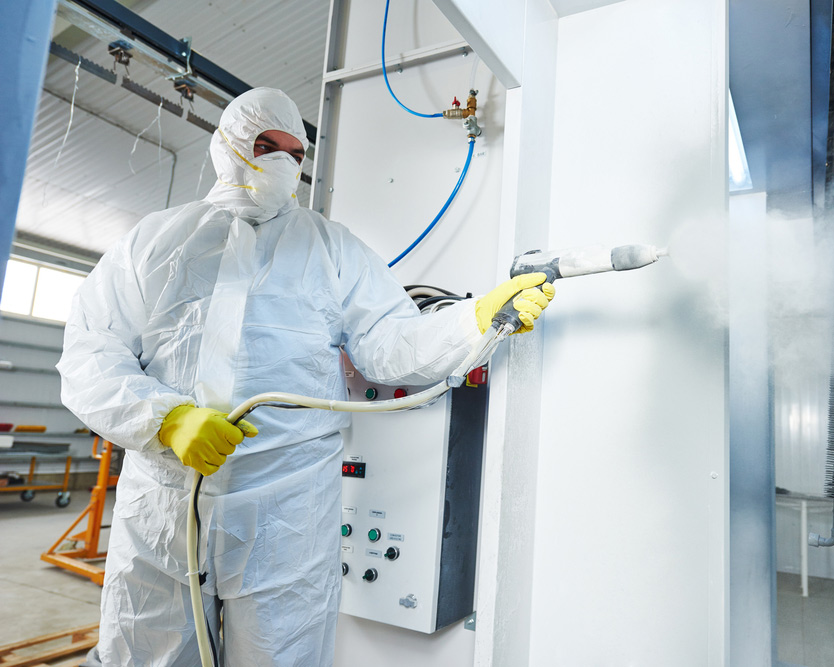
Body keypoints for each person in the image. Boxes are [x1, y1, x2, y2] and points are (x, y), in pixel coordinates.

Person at [57, 87, 554, 666]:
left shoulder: (330, 248)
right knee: (145, 654)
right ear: (227, 146)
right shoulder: (153, 241)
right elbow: (91, 351)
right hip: (165, 501)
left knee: (283, 657)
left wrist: (472, 320)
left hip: (287, 508)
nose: (280, 163)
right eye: (264, 146)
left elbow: (391, 345)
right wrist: (164, 419)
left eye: (293, 153)